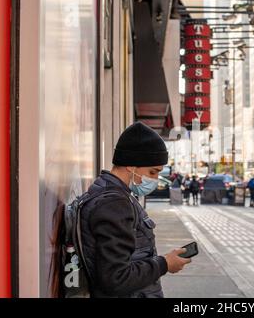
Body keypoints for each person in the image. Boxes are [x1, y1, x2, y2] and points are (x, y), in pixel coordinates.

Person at [50, 122, 191, 298]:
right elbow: (116, 278)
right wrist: (165, 264)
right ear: (132, 166)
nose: (155, 180)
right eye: (153, 172)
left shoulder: (105, 193)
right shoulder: (114, 204)